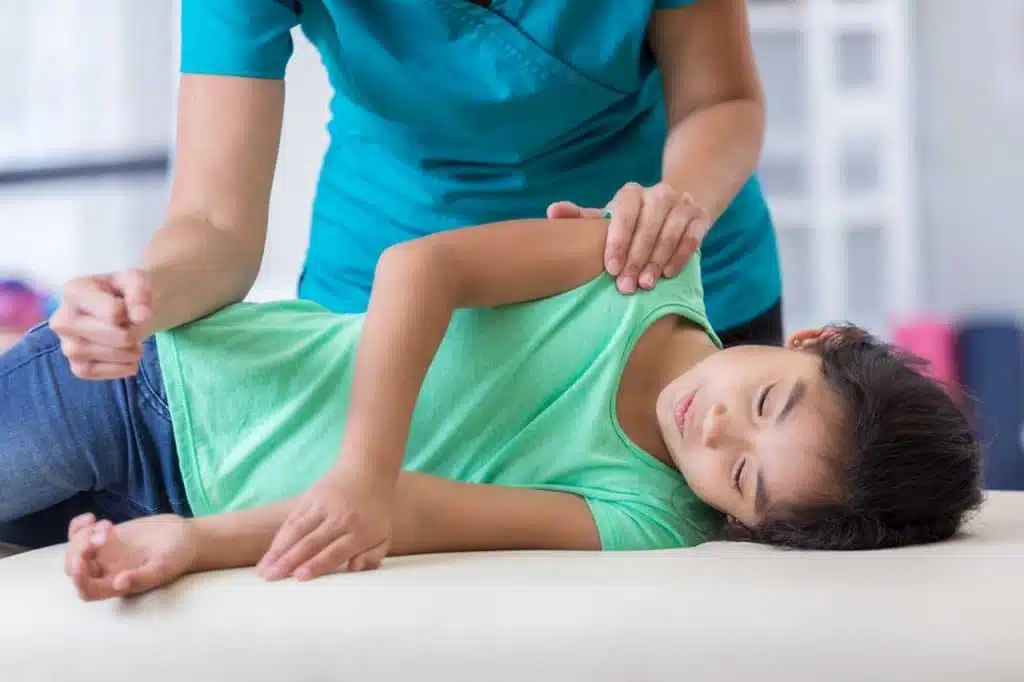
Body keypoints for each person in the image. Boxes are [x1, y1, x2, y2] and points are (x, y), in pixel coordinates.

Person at [0, 216, 982, 601]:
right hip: (156, 389)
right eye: (764, 399)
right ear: (808, 339)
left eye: (741, 478)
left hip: (178, 510)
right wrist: (359, 471)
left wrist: (191, 540)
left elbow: (421, 511)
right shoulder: (643, 266)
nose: (717, 428)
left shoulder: (649, 519)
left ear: (745, 522)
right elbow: (420, 267)